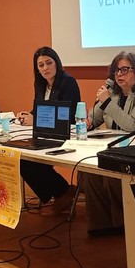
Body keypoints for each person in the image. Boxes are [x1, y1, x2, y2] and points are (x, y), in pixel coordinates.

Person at [80, 51, 135, 235]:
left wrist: (107, 102)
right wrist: (88, 122)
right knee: (89, 170)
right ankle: (101, 225)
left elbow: (132, 125)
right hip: (118, 149)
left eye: (124, 70)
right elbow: (94, 119)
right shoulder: (113, 93)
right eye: (116, 71)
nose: (119, 75)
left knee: (112, 173)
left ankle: (125, 223)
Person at [17, 46, 81, 214]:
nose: (45, 68)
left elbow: (66, 116)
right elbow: (38, 110)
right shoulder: (40, 84)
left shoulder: (68, 82)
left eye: (49, 63)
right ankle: (63, 191)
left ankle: (62, 193)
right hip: (45, 134)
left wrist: (36, 120)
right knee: (21, 157)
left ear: (57, 63)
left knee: (29, 161)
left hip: (66, 135)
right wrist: (27, 116)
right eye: (41, 65)